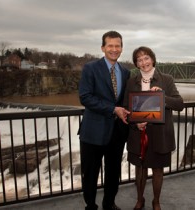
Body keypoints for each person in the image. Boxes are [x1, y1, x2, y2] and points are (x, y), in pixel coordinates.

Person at [123, 46, 184, 210]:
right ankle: (139, 199)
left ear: (152, 59)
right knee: (140, 170)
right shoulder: (131, 81)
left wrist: (162, 97)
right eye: (139, 60)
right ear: (136, 64)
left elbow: (179, 104)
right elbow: (125, 108)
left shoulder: (166, 79)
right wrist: (134, 122)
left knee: (158, 170)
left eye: (146, 58)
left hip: (160, 134)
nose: (143, 62)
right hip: (138, 133)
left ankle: (156, 201)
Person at [78, 31, 130, 210]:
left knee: (113, 172)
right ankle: (91, 205)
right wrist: (112, 109)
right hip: (93, 131)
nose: (114, 49)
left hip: (117, 132)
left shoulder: (126, 72)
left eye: (118, 46)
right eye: (110, 46)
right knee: (91, 173)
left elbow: (127, 101)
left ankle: (109, 203)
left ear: (122, 48)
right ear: (103, 48)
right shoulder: (90, 68)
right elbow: (85, 97)